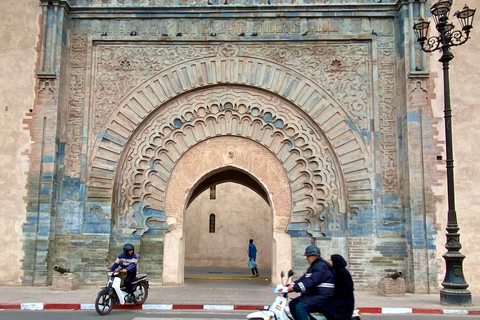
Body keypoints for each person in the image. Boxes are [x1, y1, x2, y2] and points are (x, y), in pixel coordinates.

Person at [287, 245, 335, 320]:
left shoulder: (321, 266)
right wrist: (291, 285)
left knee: (301, 307)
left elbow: (312, 281)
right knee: (293, 304)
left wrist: (296, 288)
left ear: (314, 255)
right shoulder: (315, 266)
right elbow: (304, 278)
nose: (306, 259)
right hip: (314, 293)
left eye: (308, 256)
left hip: (322, 295)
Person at [322, 254, 355, 320]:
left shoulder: (342, 272)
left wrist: (334, 293)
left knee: (327, 309)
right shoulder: (335, 271)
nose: (329, 261)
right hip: (337, 297)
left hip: (344, 300)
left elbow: (348, 288)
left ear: (335, 261)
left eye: (330, 260)